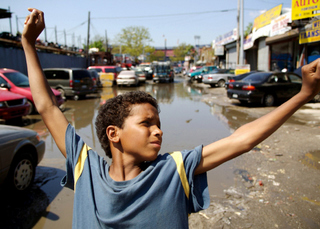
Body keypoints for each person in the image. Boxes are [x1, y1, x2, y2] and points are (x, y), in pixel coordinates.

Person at [22, 8, 320, 229]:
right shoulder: (85, 169)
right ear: (114, 134)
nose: (158, 132)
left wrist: (302, 95)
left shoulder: (173, 171)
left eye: (159, 125)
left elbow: (241, 140)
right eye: (146, 124)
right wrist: (29, 45)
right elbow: (47, 107)